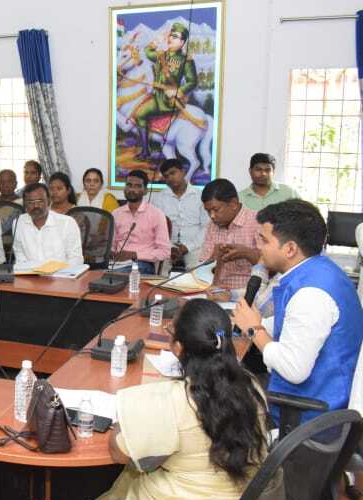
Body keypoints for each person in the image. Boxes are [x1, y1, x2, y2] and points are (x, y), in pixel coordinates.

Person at [37, 299, 268, 500]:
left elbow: (118, 452)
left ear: (178, 348)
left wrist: (126, 419)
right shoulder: (251, 386)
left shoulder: (174, 400)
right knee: (125, 488)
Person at [233, 200, 363, 422]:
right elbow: (291, 324)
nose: (258, 247)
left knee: (220, 403)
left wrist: (254, 329)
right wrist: (248, 322)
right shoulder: (321, 269)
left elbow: (293, 370)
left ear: (290, 249)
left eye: (264, 240)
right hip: (318, 398)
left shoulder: (310, 295)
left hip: (309, 419)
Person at [131, 22, 197, 161]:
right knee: (137, 111)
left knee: (140, 114)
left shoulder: (186, 60)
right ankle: (146, 150)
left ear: (182, 42)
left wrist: (177, 91)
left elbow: (192, 82)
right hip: (157, 95)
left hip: (168, 101)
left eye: (175, 36)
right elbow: (148, 52)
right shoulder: (161, 55)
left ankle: (146, 151)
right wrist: (157, 41)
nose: (171, 38)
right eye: (170, 35)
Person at [200, 178, 260, 290]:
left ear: (233, 204)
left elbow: (271, 267)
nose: (212, 216)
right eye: (208, 211)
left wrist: (247, 253)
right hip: (216, 291)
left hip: (247, 293)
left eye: (216, 210)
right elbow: (203, 268)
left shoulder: (257, 222)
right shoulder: (212, 225)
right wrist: (214, 257)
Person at [110, 169, 171, 275]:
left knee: (115, 276)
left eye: (137, 186)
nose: (132, 189)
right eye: (129, 185)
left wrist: (135, 254)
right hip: (116, 263)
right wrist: (110, 253)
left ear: (145, 190)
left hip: (142, 264)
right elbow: (111, 244)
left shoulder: (156, 214)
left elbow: (164, 252)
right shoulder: (116, 214)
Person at [155, 158, 208, 268]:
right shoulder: (159, 198)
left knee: (197, 269)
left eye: (173, 173)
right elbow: (157, 229)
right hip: (168, 246)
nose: (170, 178)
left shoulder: (200, 196)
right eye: (166, 176)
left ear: (183, 172)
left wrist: (187, 247)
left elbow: (206, 227)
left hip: (195, 246)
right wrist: (171, 247)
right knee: (161, 267)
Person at [12, 183, 83, 267]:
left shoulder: (67, 223)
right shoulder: (18, 223)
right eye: (30, 202)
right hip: (30, 273)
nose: (36, 206)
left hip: (62, 273)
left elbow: (76, 259)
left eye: (40, 201)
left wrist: (62, 272)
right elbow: (20, 257)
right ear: (24, 204)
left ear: (49, 201)